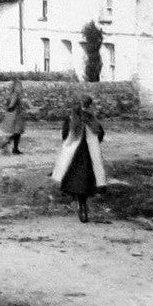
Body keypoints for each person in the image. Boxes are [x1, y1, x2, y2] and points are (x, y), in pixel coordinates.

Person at [51, 95, 106, 223]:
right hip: (88, 155)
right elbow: (101, 134)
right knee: (87, 181)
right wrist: (93, 141)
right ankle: (83, 206)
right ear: (90, 106)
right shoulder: (91, 119)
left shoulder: (72, 118)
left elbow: (65, 136)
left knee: (73, 180)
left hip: (74, 156)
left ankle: (80, 204)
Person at [0, 78, 26, 154]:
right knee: (17, 132)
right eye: (18, 86)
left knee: (17, 133)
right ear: (14, 87)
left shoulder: (12, 94)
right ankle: (10, 144)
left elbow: (8, 103)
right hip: (16, 115)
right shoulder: (15, 95)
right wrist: (10, 108)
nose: (20, 88)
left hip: (14, 115)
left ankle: (14, 148)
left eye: (20, 86)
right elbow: (12, 105)